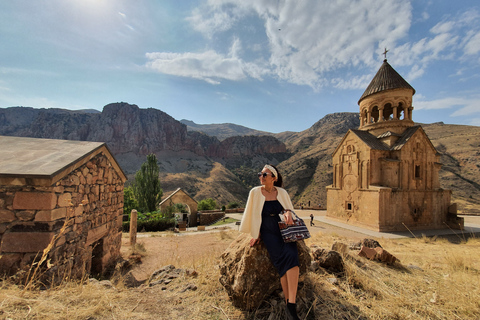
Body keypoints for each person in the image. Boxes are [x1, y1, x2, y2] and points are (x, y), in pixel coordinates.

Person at [239, 164, 300, 320]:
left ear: (274, 177)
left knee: (292, 258)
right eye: (260, 174)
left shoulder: (282, 192)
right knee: (281, 263)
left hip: (283, 230)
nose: (261, 176)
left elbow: (289, 209)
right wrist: (255, 233)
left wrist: (287, 212)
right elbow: (252, 214)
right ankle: (290, 306)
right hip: (268, 232)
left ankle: (291, 304)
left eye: (265, 174)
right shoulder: (255, 192)